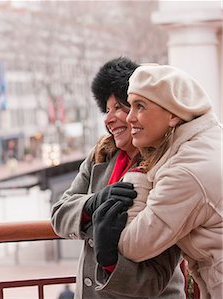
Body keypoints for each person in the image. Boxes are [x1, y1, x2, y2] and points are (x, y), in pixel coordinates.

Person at [51, 57, 185, 298]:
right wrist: (91, 204)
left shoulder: (168, 167)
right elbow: (59, 214)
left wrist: (111, 260)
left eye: (119, 108)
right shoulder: (100, 156)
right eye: (107, 109)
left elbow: (154, 279)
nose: (108, 118)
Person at [93, 64, 222, 299]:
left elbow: (134, 244)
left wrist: (140, 172)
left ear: (173, 114)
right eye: (130, 106)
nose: (130, 117)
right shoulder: (207, 140)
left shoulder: (185, 171)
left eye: (139, 106)